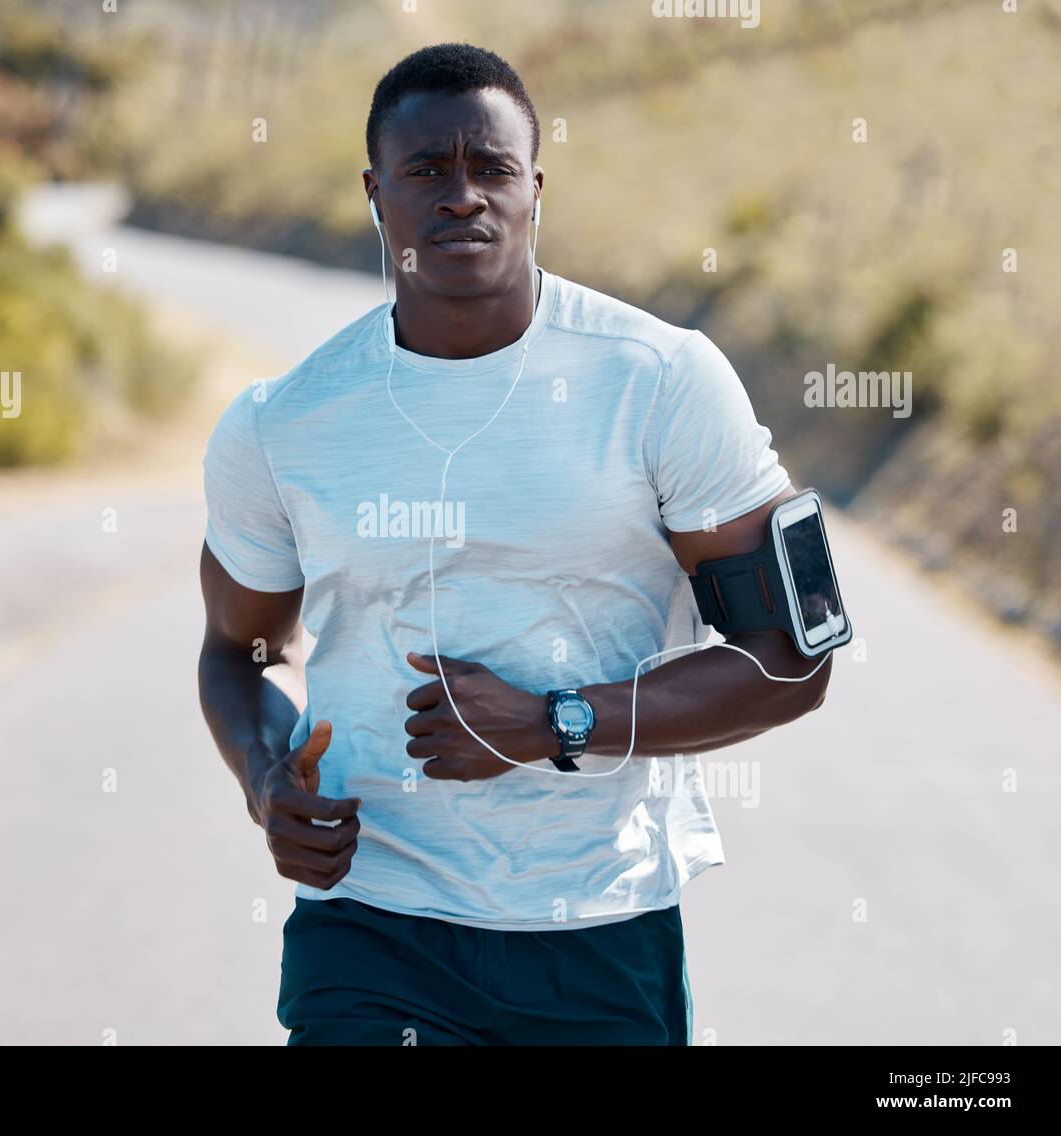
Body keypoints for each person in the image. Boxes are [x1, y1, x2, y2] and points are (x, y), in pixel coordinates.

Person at [197, 42, 832, 1046]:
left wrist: (554, 721)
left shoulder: (659, 380)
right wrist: (266, 776)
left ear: (534, 188)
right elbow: (237, 652)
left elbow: (790, 663)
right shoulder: (283, 421)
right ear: (374, 192)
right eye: (424, 171)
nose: (461, 197)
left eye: (490, 168)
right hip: (372, 926)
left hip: (595, 928)